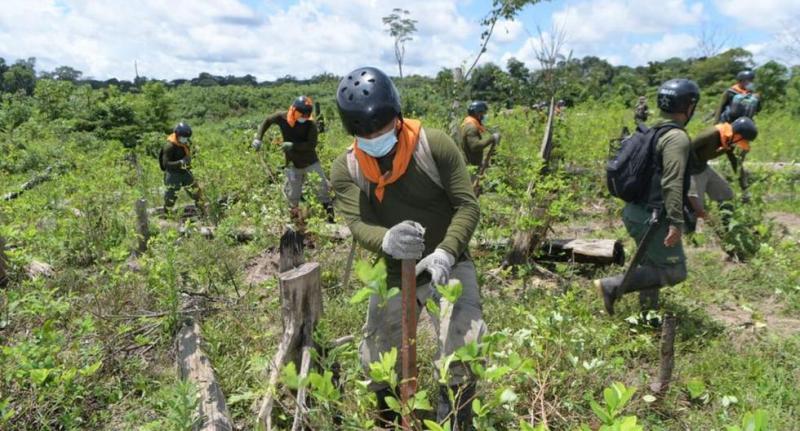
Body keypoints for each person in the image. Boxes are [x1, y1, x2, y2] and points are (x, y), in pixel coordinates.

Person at [330, 66, 484, 430]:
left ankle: (455, 422)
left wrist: (446, 251)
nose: (374, 137)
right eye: (364, 133)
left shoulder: (434, 146)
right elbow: (357, 224)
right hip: (393, 268)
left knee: (463, 348)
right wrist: (386, 240)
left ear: (397, 116)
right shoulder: (347, 168)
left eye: (381, 128)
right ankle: (387, 421)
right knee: (377, 357)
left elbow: (467, 205)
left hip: (449, 261)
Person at [595, 79, 700, 316]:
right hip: (652, 217)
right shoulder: (676, 138)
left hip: (636, 211)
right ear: (689, 107)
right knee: (675, 271)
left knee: (651, 264)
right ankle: (611, 286)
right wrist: (676, 221)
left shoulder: (654, 130)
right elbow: (672, 182)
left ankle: (647, 316)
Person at [252, 96, 334, 222]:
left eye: (307, 116)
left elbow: (311, 145)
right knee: (292, 196)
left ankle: (331, 220)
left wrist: (293, 145)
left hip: (310, 162)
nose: (304, 118)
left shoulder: (310, 124)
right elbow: (267, 121)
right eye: (302, 115)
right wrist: (258, 138)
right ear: (294, 110)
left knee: (322, 191)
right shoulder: (282, 117)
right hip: (292, 164)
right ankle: (294, 224)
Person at [688, 117, 757, 221]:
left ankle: (727, 229)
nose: (740, 145)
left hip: (703, 167)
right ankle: (688, 233)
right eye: (742, 141)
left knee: (726, 194)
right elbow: (687, 149)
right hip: (690, 170)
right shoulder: (712, 134)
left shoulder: (730, 140)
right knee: (695, 207)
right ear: (737, 135)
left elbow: (736, 164)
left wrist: (744, 188)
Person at [159, 122, 205, 216]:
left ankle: (203, 214)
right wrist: (181, 162)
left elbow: (192, 151)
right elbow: (166, 164)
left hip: (186, 172)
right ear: (177, 135)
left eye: (186, 137)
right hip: (173, 174)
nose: (185, 139)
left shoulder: (186, 142)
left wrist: (195, 153)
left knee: (196, 193)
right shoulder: (170, 146)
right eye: (183, 137)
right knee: (170, 197)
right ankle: (167, 217)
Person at [458, 101, 500, 167]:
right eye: (483, 113)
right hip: (470, 167)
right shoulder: (471, 128)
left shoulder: (469, 123)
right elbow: (475, 146)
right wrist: (492, 138)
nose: (484, 116)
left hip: (473, 164)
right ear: (478, 113)